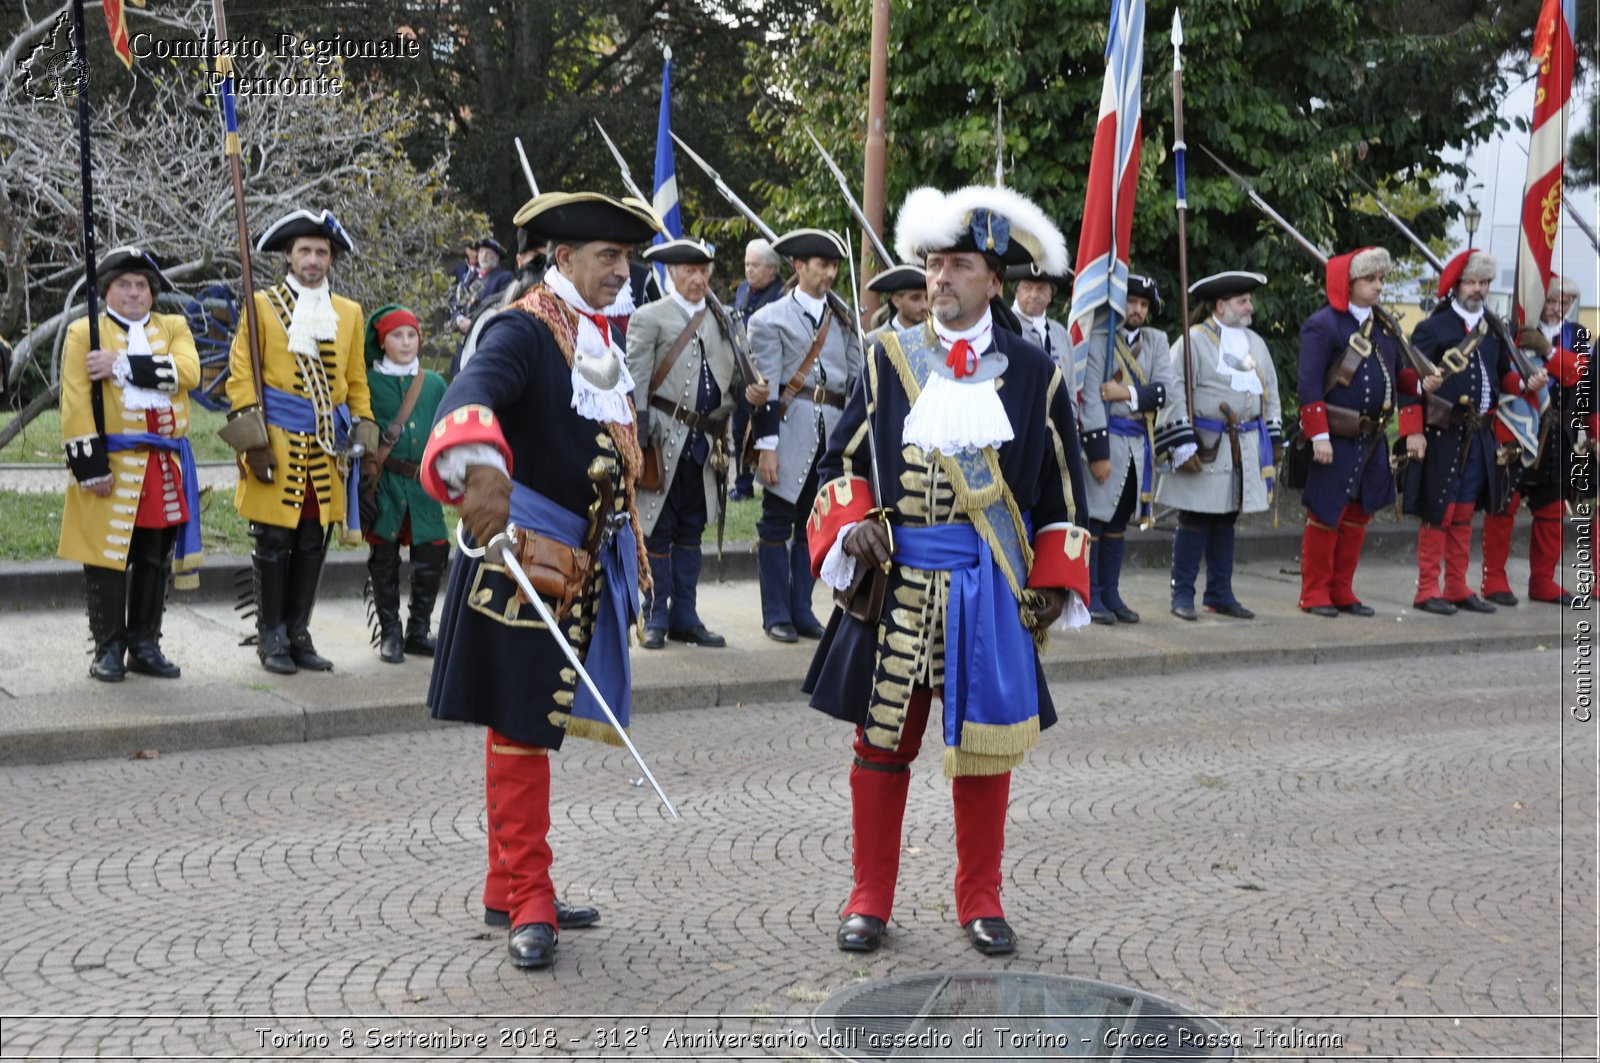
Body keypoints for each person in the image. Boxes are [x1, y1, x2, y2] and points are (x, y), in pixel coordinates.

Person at [804, 184, 1090, 958]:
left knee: (985, 748)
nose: (941, 280)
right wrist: (852, 521)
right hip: (897, 587)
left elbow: (1064, 492)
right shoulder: (886, 357)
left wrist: (1054, 584)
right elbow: (839, 461)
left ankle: (981, 898)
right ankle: (868, 896)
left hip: (991, 587)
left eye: (959, 265)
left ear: (993, 280)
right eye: (933, 265)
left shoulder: (1035, 373)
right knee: (879, 742)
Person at [419, 190, 664, 970]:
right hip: (522, 559)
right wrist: (479, 468)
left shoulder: (597, 334)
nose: (620, 272)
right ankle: (528, 897)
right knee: (521, 726)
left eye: (624, 259)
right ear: (563, 258)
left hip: (582, 563)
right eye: (607, 258)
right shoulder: (524, 326)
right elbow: (473, 390)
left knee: (530, 724)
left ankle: (508, 883)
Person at [226, 208, 376, 673]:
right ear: (288, 256)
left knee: (314, 539)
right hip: (277, 440)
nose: (313, 259)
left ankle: (297, 631)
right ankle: (270, 636)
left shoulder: (348, 313)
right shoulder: (262, 306)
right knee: (273, 540)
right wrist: (254, 443)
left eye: (322, 252)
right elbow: (242, 377)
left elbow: (355, 382)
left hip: (327, 447)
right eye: (305, 251)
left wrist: (366, 439)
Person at [57, 247, 202, 681]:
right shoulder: (86, 332)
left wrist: (122, 365)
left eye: (142, 285)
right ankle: (108, 649)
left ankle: (144, 645)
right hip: (112, 463)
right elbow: (75, 403)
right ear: (106, 291)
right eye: (124, 284)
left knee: (154, 558)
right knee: (106, 560)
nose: (135, 293)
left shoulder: (173, 326)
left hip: (161, 464)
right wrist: (90, 467)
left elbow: (189, 372)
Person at [625, 237, 754, 649]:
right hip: (662, 442)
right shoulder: (649, 317)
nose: (697, 279)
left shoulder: (726, 318)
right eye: (688, 272)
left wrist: (750, 393)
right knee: (657, 531)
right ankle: (656, 613)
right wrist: (638, 440)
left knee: (691, 531)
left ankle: (686, 614)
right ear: (672, 274)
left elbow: (740, 375)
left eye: (703, 271)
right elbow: (636, 382)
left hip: (706, 447)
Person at [1404, 249, 1546, 614]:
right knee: (1440, 511)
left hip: (1480, 433)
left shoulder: (1493, 328)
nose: (1478, 289)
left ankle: (1455, 586)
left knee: (1465, 513)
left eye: (1483, 282)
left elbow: (1502, 376)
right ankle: (1425, 590)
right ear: (1456, 285)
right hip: (1443, 430)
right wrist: (1412, 431)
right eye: (1471, 282)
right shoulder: (1433, 328)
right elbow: (1409, 382)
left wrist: (1527, 381)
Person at [748, 228, 863, 643]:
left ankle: (801, 609)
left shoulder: (845, 317)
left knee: (813, 525)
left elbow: (854, 381)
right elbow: (765, 389)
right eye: (822, 265)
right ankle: (776, 613)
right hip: (788, 428)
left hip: (831, 432)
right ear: (799, 266)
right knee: (776, 523)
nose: (830, 273)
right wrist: (767, 446)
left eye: (834, 265)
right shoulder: (768, 319)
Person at [1295, 247, 1420, 617]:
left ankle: (1342, 590)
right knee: (1325, 513)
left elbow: (1400, 377)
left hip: (1372, 438)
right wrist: (1318, 435)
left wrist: (1424, 381)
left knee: (1358, 514)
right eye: (1371, 279)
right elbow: (1309, 384)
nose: (1379, 286)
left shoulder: (1384, 328)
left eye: (1381, 279)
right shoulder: (1324, 325)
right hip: (1335, 435)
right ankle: (1315, 592)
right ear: (1349, 284)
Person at [1155, 271, 1283, 621]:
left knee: (1227, 518)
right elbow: (1174, 387)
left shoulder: (1255, 343)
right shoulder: (1192, 340)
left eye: (1249, 300)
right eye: (1242, 301)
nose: (1249, 306)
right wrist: (1182, 441)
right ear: (1221, 305)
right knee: (1195, 518)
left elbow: (1269, 389)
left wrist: (1273, 436)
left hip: (1243, 445)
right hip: (1206, 443)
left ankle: (1219, 593)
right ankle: (1181, 594)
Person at [1080, 272, 1175, 623]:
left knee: (1119, 521)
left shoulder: (1156, 341)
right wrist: (1098, 454)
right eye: (1131, 302)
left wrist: (1126, 394)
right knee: (1096, 521)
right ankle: (1090, 594)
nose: (1136, 310)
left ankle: (1111, 593)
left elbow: (1165, 392)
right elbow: (1091, 399)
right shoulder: (1099, 340)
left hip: (1138, 445)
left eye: (1143, 304)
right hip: (1108, 441)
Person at [1482, 274, 1583, 606]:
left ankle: (1542, 581)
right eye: (1551, 302)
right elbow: (1505, 375)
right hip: (1518, 428)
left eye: (1564, 302)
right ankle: (1494, 578)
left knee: (1552, 511)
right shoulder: (1514, 334)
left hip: (1557, 433)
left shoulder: (1576, 335)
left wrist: (1549, 352)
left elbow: (1577, 374)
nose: (1557, 309)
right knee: (1504, 505)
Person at [358, 305, 450, 663]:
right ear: (382, 342)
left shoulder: (434, 383)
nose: (406, 342)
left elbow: (446, 429)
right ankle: (390, 632)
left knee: (433, 554)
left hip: (423, 486)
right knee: (384, 558)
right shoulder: (368, 381)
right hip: (385, 485)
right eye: (397, 335)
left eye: (412, 335)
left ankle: (418, 630)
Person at [729, 238, 785, 501]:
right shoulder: (743, 289)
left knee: (763, 430)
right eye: (746, 264)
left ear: (771, 269)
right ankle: (742, 485)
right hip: (743, 372)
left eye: (755, 265)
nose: (749, 270)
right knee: (739, 429)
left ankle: (765, 481)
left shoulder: (782, 295)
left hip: (769, 375)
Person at [450, 238, 514, 375]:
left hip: (482, 339)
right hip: (462, 342)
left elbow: (500, 308)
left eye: (488, 253)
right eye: (481, 252)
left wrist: (473, 323)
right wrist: (458, 320)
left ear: (497, 257)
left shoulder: (504, 278)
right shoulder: (470, 278)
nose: (484, 255)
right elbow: (455, 304)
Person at [1007, 262, 1075, 389]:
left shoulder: (1062, 334)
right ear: (1016, 291)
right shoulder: (1003, 326)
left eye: (1041, 288)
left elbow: (1070, 390)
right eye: (1027, 288)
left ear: (1051, 295)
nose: (1034, 295)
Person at [864, 264, 929, 342]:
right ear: (896, 301)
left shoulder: (938, 337)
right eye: (915, 298)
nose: (924, 305)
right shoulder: (873, 342)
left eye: (927, 298)